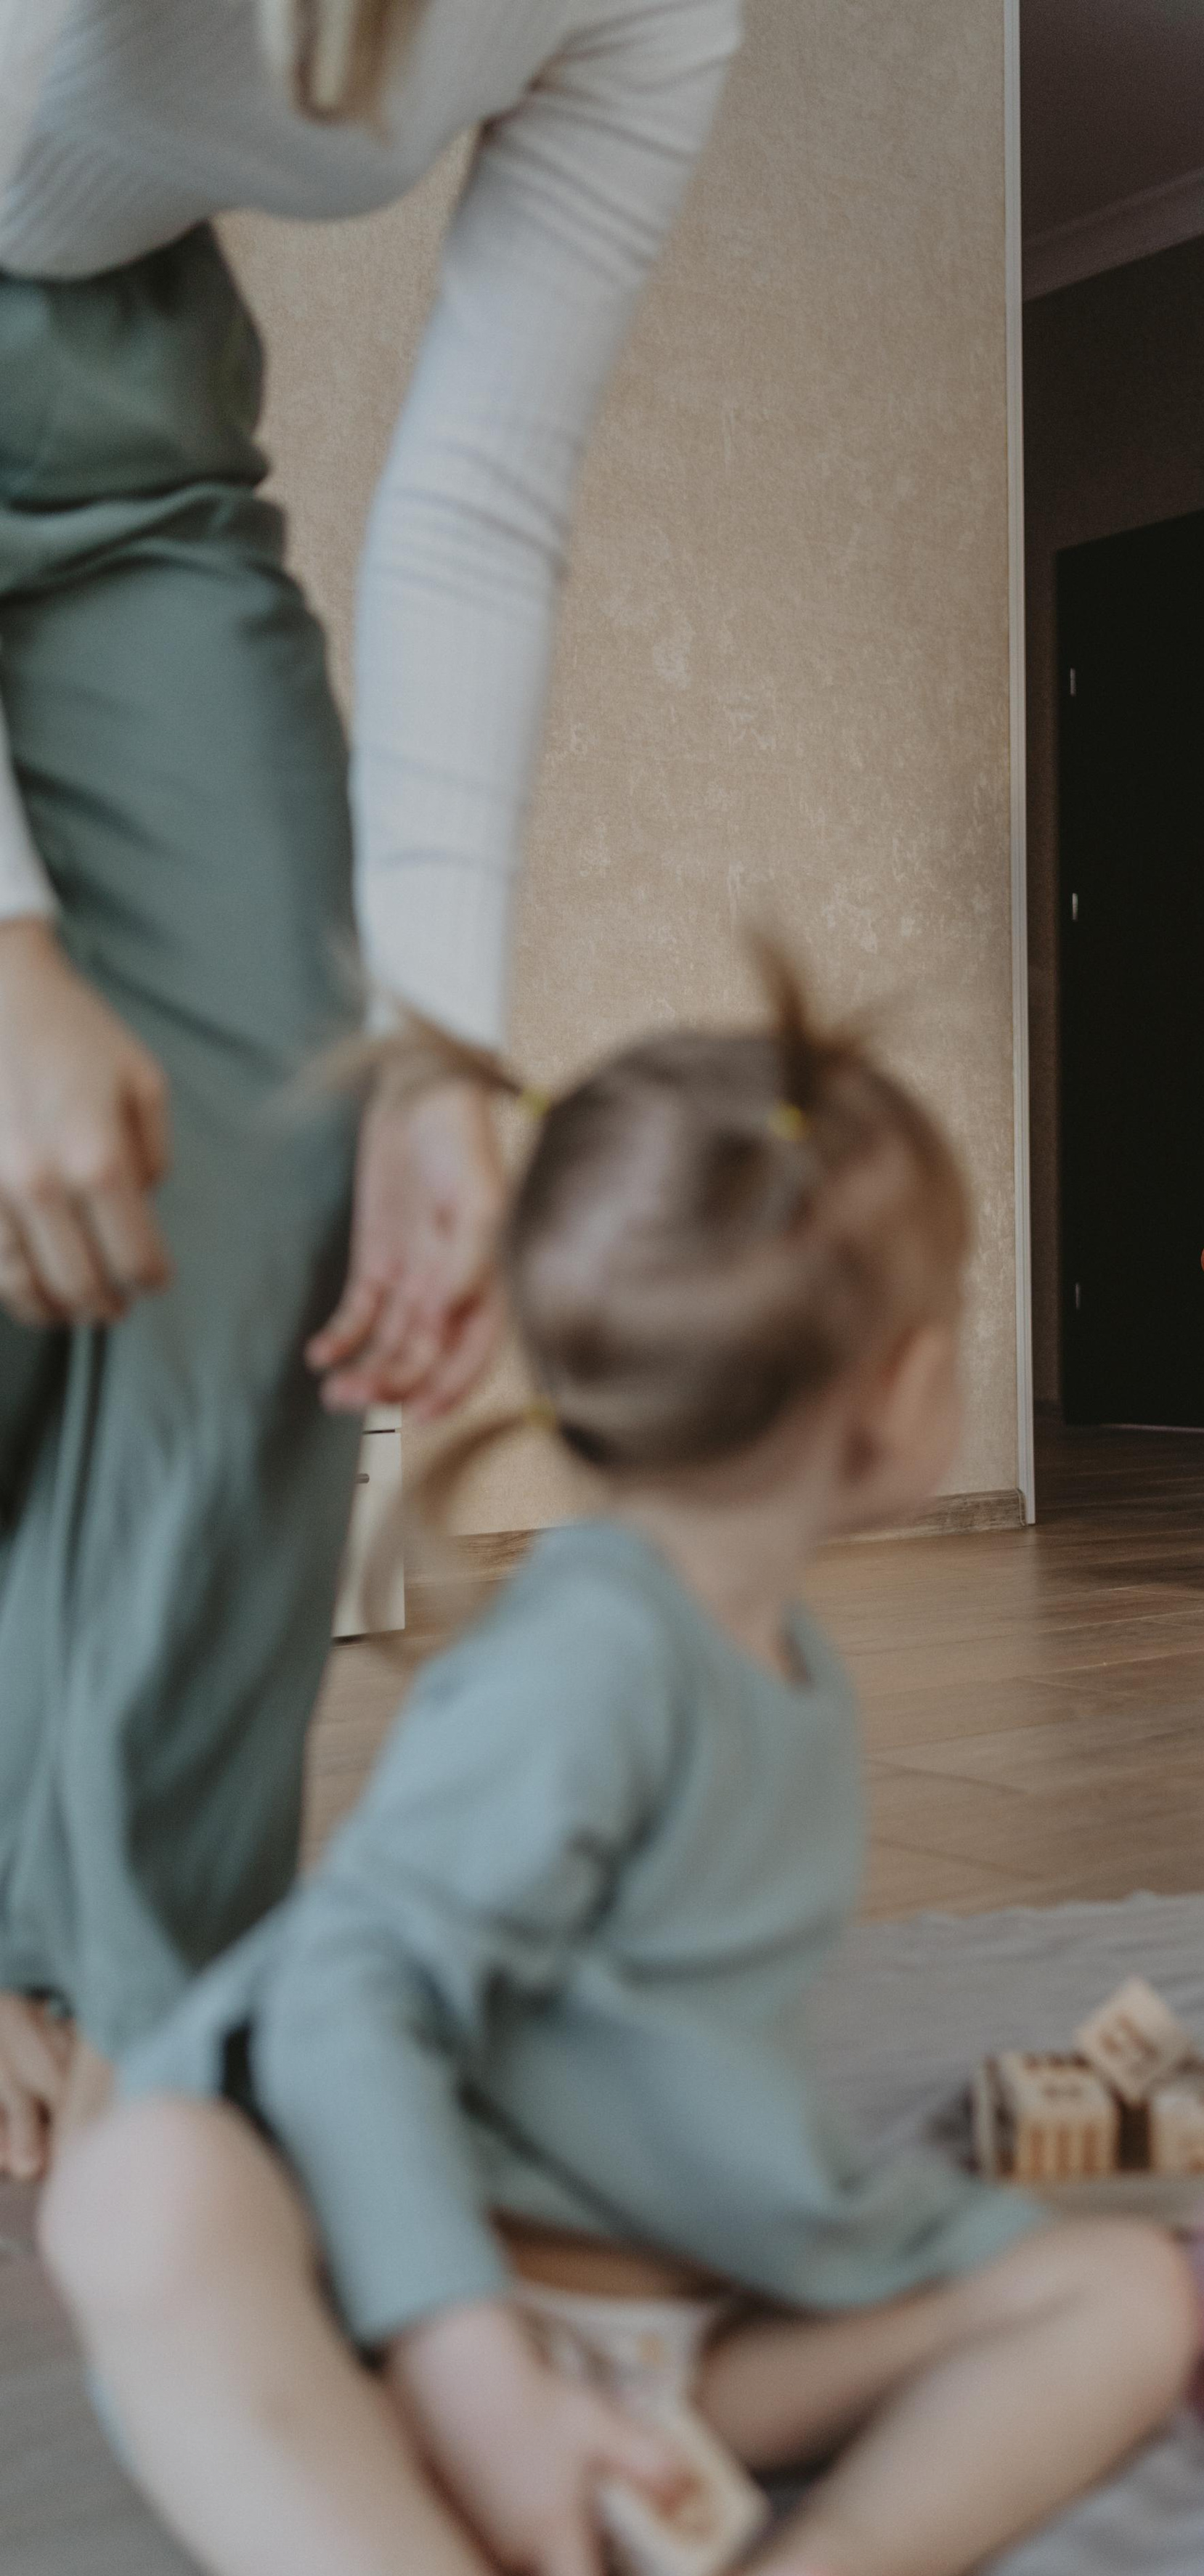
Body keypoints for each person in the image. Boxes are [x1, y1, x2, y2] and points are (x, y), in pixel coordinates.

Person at [43, 961, 1201, 2576]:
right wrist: (467, 2364)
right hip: (412, 2323)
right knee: (136, 2197)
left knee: (1128, 2301)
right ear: (890, 1386)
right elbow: (352, 1993)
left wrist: (919, 2256)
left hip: (663, 2337)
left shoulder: (781, 1662)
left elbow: (693, 2070)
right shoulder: (594, 1654)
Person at [0, 0, 744, 2174]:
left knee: (268, 1188)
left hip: (128, 450)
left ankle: (129, 1973)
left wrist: (440, 1068)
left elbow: (480, 496)